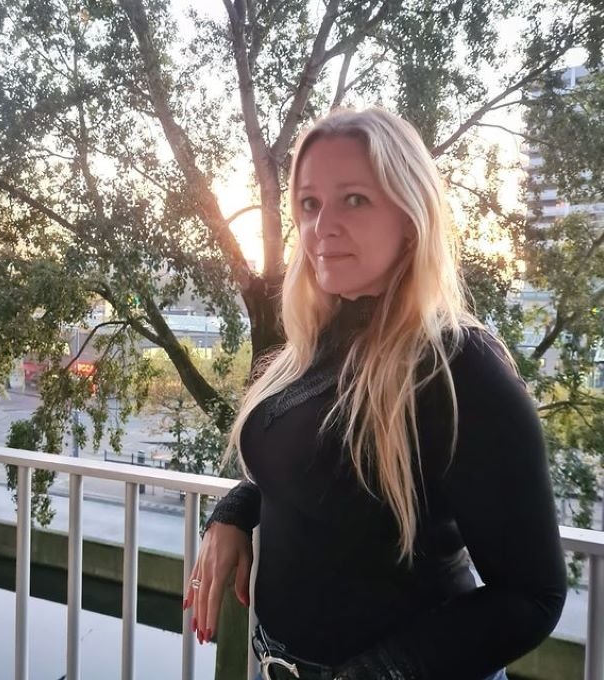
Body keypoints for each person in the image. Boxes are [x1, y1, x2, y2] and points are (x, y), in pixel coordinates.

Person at [184, 107, 567, 680]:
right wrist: (236, 510)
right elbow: (322, 475)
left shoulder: (458, 368)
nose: (323, 225)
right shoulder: (315, 341)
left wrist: (381, 672)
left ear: (410, 218)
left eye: (354, 199)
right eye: (309, 204)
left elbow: (532, 596)